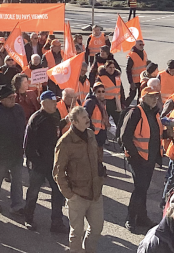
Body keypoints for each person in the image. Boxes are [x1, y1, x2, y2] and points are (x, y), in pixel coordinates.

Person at [53, 106, 105, 252]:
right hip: (77, 195)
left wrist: (100, 171)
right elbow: (58, 172)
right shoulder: (65, 143)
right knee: (77, 233)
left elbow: (96, 156)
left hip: (95, 192)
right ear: (74, 122)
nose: (88, 119)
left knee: (97, 228)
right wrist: (69, 195)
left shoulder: (90, 134)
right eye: (83, 117)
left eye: (87, 116)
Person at [23, 90, 68, 233]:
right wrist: (36, 161)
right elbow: (27, 145)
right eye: (53, 102)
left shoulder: (55, 115)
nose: (56, 104)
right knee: (33, 192)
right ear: (44, 103)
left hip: (54, 162)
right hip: (39, 164)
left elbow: (55, 131)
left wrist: (65, 121)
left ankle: (57, 222)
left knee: (57, 191)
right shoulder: (35, 119)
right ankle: (28, 218)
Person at [121, 87, 163, 233]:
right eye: (151, 97)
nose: (155, 99)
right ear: (143, 97)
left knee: (143, 189)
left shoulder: (154, 113)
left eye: (156, 97)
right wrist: (135, 156)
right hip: (138, 159)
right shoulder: (136, 112)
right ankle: (130, 218)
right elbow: (125, 137)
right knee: (140, 189)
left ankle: (142, 217)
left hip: (149, 158)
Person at [0, 85, 26, 214]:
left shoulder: (18, 110)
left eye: (14, 97)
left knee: (17, 181)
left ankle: (17, 205)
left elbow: (24, 130)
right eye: (10, 98)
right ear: (2, 99)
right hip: (0, 155)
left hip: (16, 153)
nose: (13, 99)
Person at [84, 82, 110, 166]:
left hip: (101, 131)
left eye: (103, 91)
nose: (101, 93)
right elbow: (85, 117)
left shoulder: (102, 103)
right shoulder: (90, 102)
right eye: (99, 91)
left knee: (99, 152)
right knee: (92, 154)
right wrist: (90, 128)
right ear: (94, 92)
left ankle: (99, 168)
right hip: (93, 132)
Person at [97, 60, 125, 125]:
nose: (112, 69)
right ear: (106, 68)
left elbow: (121, 90)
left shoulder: (117, 76)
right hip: (106, 103)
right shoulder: (101, 78)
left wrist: (123, 101)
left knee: (119, 122)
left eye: (113, 67)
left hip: (116, 102)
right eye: (110, 67)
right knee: (104, 121)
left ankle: (119, 134)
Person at [126, 40, 147, 106]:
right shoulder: (131, 55)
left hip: (143, 79)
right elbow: (128, 70)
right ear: (135, 45)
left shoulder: (144, 52)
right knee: (132, 95)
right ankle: (123, 108)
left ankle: (139, 110)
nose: (142, 46)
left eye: (143, 44)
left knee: (141, 96)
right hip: (135, 81)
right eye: (140, 44)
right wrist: (131, 82)